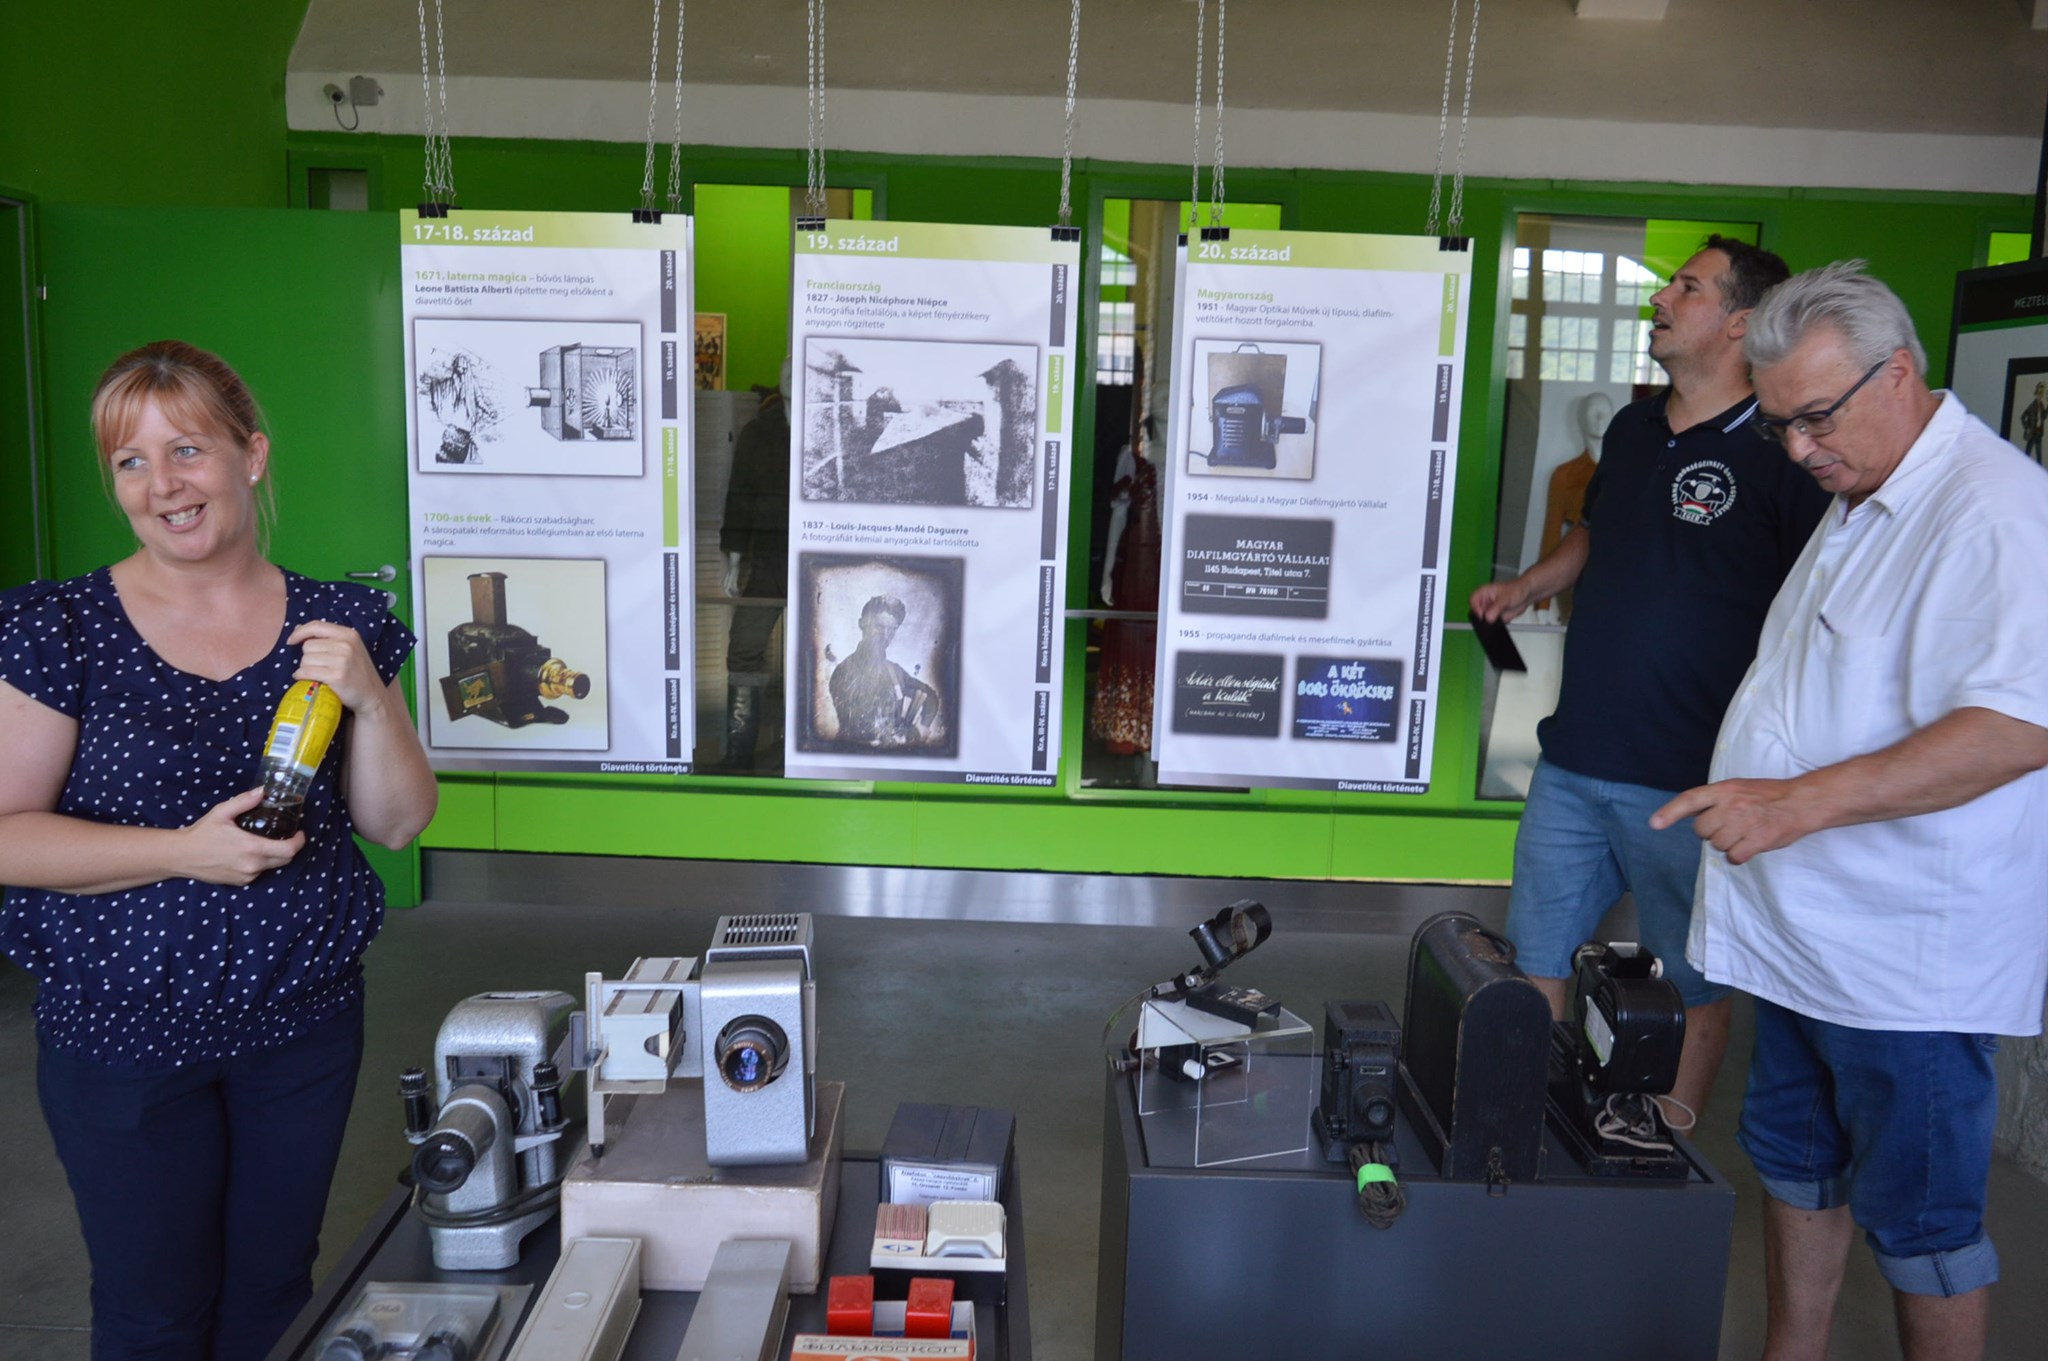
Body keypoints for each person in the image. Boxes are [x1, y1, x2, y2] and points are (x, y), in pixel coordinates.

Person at [0, 341, 440, 1361]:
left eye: (187, 449)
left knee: (275, 1292)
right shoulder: (60, 628)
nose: (163, 484)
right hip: (121, 1036)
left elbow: (398, 821)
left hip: (301, 1023)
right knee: (154, 1311)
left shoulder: (340, 624)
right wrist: (180, 851)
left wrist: (370, 696)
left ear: (252, 454)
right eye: (131, 461)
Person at [1652, 262, 2048, 1361]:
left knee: (1923, 1222)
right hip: (1804, 934)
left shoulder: (1994, 511)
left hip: (1901, 960)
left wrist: (1794, 803)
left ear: (1900, 372)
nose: (1796, 448)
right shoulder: (1862, 489)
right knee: (1794, 1163)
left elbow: (2018, 726)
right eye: (1778, 422)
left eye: (1815, 416)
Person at [1470, 236, 1829, 1121]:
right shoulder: (1633, 428)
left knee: (1693, 975)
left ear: (1741, 322)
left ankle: (1670, 1142)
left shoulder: (1782, 450)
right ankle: (1528, 1126)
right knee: (1535, 957)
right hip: (1573, 758)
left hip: (1692, 777)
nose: (1661, 298)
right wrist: (1530, 585)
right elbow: (1597, 533)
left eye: (1687, 287)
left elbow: (1820, 604)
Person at [718, 360, 791, 770]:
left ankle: (807, 754)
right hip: (768, 558)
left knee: (823, 649)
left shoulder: (832, 429)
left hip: (821, 561)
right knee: (745, 645)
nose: (790, 376)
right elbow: (740, 495)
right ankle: (739, 754)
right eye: (785, 370)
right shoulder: (758, 434)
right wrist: (734, 557)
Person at [828, 594, 939, 747]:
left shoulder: (894, 671)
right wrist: (913, 735)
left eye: (892, 629)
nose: (885, 636)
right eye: (879, 627)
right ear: (862, 624)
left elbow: (931, 697)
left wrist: (922, 726)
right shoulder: (844, 673)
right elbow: (864, 734)